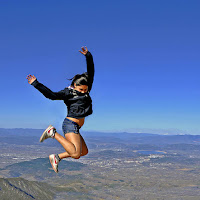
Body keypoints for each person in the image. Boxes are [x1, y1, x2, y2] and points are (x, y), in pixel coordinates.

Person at [26, 46, 94, 173]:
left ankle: (57, 157)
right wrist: (36, 84)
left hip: (76, 127)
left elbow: (91, 71)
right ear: (74, 86)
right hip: (70, 124)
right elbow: (51, 95)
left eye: (85, 90)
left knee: (83, 152)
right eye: (81, 90)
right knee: (75, 154)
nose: (84, 92)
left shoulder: (86, 89)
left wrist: (88, 55)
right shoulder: (67, 93)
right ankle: (53, 133)